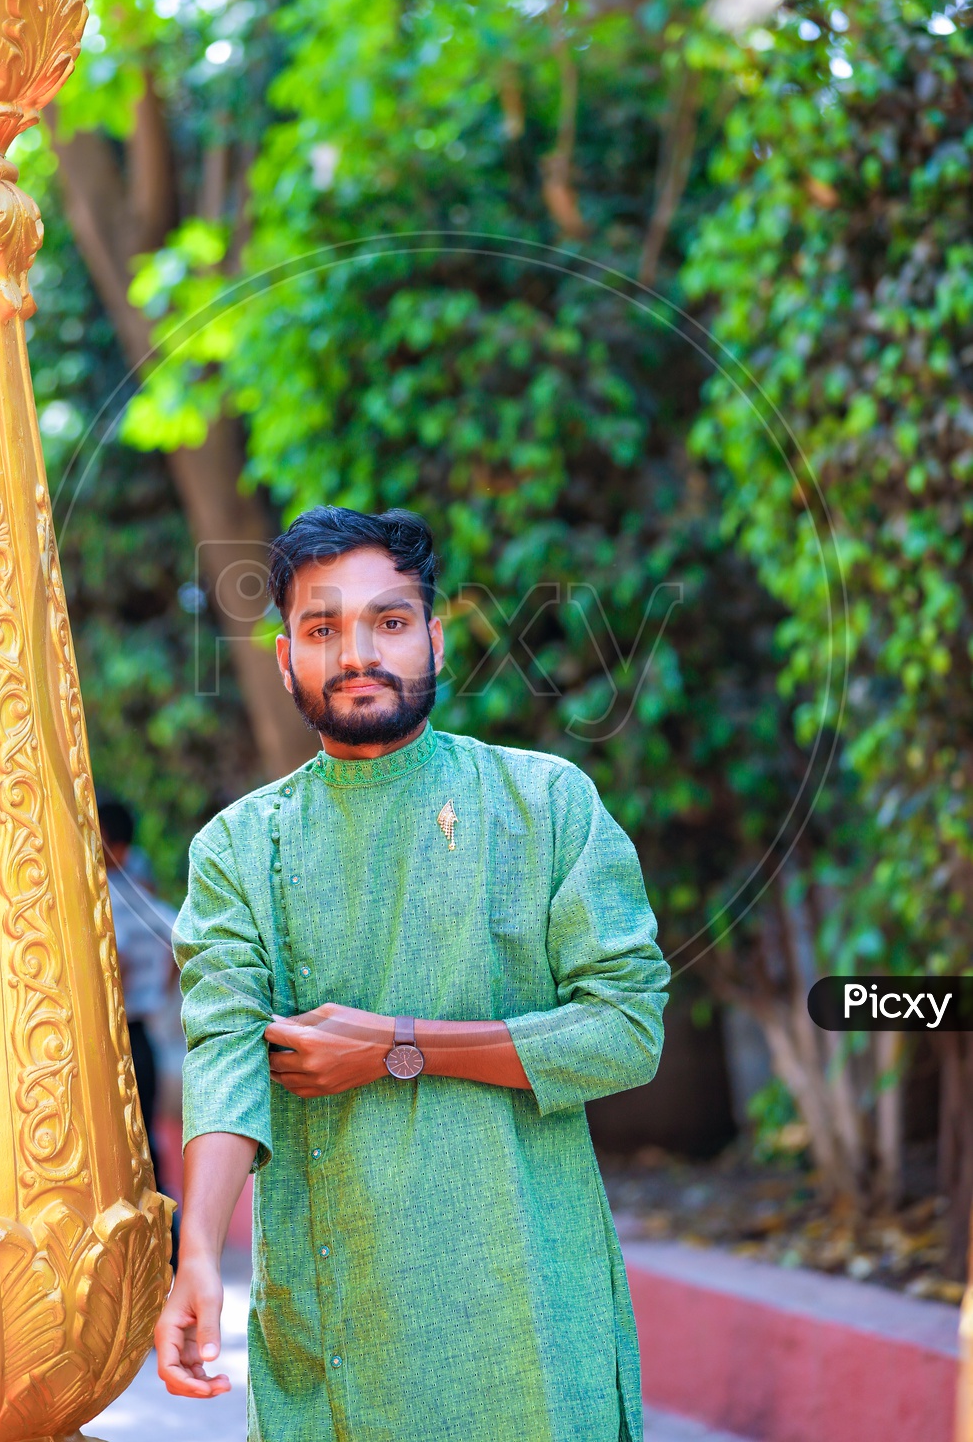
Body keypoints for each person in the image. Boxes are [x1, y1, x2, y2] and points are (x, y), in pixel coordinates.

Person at [156, 506, 670, 1442]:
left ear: (434, 640)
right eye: (322, 628)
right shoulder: (238, 846)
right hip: (339, 1312)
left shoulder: (545, 803)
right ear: (285, 660)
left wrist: (400, 1048)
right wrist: (197, 1258)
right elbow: (225, 1058)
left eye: (389, 622)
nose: (358, 652)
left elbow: (626, 1032)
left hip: (529, 1320)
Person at [98, 796, 177, 1197]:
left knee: (132, 1135)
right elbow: (177, 943)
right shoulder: (139, 884)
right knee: (145, 1132)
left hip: (121, 1030)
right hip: (142, 1028)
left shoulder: (109, 889)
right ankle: (169, 1236)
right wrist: (159, 993)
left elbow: (120, 956)